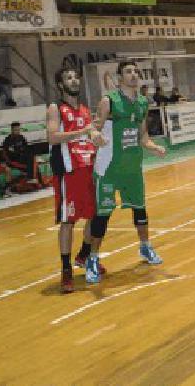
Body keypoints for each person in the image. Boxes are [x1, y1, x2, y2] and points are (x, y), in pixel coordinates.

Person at [89, 60, 167, 284]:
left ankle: (145, 247)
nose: (133, 75)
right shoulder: (109, 102)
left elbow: (143, 136)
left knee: (140, 210)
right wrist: (94, 135)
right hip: (109, 167)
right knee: (103, 214)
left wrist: (154, 147)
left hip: (133, 167)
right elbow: (94, 126)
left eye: (136, 71)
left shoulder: (142, 103)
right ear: (120, 78)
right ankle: (93, 258)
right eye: (128, 72)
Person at [46, 67, 107, 293]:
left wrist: (97, 138)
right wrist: (82, 132)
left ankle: (83, 255)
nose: (74, 80)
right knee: (68, 221)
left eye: (75, 77)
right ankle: (66, 270)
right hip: (68, 172)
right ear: (61, 85)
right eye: (68, 78)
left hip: (88, 168)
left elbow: (90, 134)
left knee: (94, 216)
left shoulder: (83, 109)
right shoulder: (56, 108)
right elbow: (52, 137)